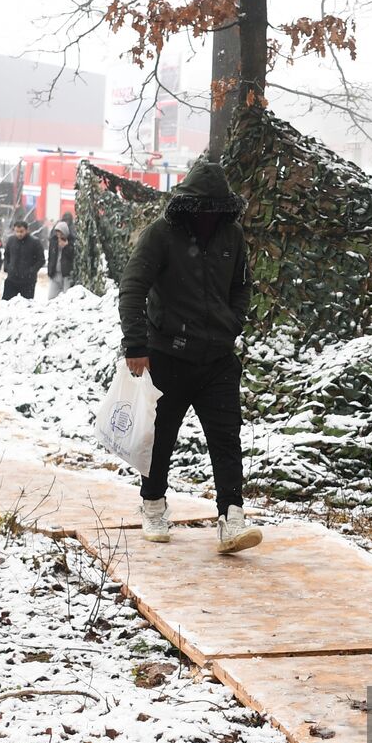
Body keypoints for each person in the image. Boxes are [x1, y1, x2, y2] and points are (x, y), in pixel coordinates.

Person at [118, 161, 262, 555]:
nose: (209, 215)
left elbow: (242, 286)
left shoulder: (232, 235)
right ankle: (153, 504)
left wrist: (233, 322)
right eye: (203, 206)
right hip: (168, 356)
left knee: (226, 439)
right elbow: (133, 287)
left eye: (216, 207)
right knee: (160, 439)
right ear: (188, 203)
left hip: (217, 358)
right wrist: (136, 346)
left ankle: (231, 518)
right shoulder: (161, 235)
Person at [2, 220, 45, 301]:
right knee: (6, 303)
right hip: (12, 279)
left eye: (21, 231)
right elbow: (6, 255)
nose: (19, 234)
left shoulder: (34, 242)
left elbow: (41, 260)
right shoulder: (11, 240)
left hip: (28, 281)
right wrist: (7, 267)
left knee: (27, 304)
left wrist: (31, 271)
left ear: (27, 230)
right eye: (17, 231)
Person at [47, 215, 75, 299]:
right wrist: (50, 269)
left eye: (61, 233)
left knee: (67, 297)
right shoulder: (54, 241)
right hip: (55, 273)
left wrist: (66, 247)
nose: (59, 235)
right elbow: (51, 257)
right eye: (57, 232)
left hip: (66, 273)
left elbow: (73, 256)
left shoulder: (72, 242)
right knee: (51, 298)